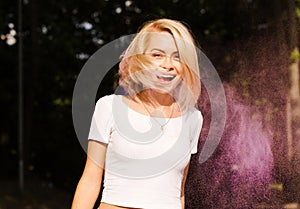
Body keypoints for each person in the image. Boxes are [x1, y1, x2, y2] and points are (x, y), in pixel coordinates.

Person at [71, 18, 203, 209]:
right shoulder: (109, 107)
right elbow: (90, 180)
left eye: (178, 56)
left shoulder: (193, 119)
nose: (168, 64)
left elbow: (178, 192)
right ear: (141, 60)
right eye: (157, 55)